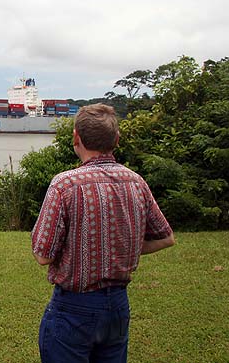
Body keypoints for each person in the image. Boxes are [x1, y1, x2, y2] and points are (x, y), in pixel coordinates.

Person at [31, 104, 175, 363]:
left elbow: (43, 255)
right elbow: (165, 238)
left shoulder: (65, 184)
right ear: (116, 140)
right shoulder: (136, 182)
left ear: (76, 137)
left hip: (73, 308)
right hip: (118, 307)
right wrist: (119, 245)